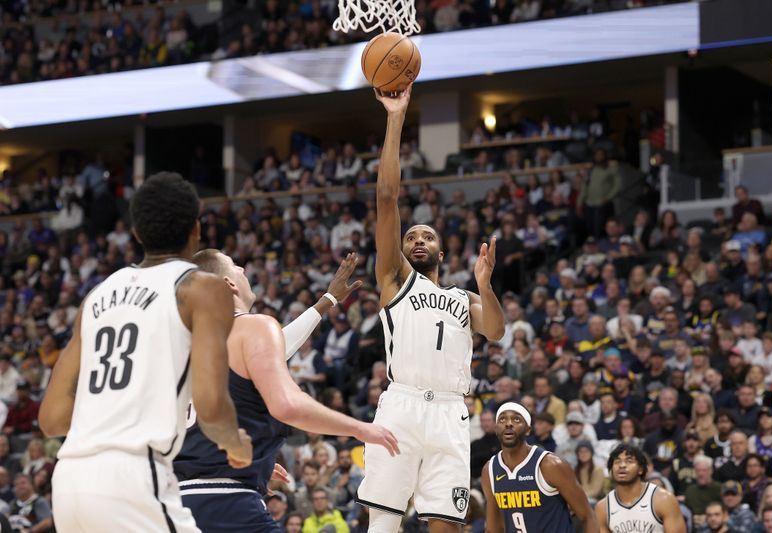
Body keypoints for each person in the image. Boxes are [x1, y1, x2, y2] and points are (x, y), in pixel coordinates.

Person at [39, 172, 253, 532]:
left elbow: (52, 419)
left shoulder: (99, 294)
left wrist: (119, 405)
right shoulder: (202, 287)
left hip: (69, 483)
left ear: (136, 233)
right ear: (196, 231)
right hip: (135, 477)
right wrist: (237, 445)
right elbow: (212, 405)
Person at [357, 85, 505, 532]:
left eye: (428, 237)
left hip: (449, 412)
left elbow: (495, 331)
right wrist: (396, 117)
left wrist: (485, 283)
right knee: (382, 521)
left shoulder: (464, 298)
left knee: (446, 522)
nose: (418, 240)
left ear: (441, 253)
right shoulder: (395, 279)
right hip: (401, 406)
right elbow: (386, 200)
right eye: (410, 237)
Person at [174, 251, 398, 532]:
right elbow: (287, 405)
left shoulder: (184, 346)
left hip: (174, 504)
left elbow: (275, 347)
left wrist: (255, 465)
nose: (242, 267)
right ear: (229, 284)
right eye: (234, 265)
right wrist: (359, 428)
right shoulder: (253, 326)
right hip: (228, 502)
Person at [481, 403, 598, 533]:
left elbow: (588, 516)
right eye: (502, 419)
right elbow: (493, 529)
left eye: (516, 419)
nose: (508, 423)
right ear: (496, 428)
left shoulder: (550, 465)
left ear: (528, 429)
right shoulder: (489, 470)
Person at [596, 443, 687, 533]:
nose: (622, 465)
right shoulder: (603, 507)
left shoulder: (664, 499)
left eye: (629, 461)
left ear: (641, 469)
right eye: (617, 461)